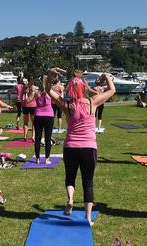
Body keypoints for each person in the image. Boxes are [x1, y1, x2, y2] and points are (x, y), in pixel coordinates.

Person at [46, 68, 115, 227]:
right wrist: (106, 76)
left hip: (70, 147)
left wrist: (50, 74)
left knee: (70, 178)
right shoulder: (93, 102)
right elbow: (112, 90)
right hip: (89, 148)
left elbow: (48, 89)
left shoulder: (67, 105)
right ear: (84, 88)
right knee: (88, 182)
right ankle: (88, 218)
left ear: (70, 88)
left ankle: (70, 199)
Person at [34, 76, 55, 163]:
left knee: (37, 138)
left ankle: (37, 159)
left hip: (38, 116)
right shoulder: (49, 93)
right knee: (48, 138)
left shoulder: (36, 92)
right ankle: (47, 159)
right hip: (49, 116)